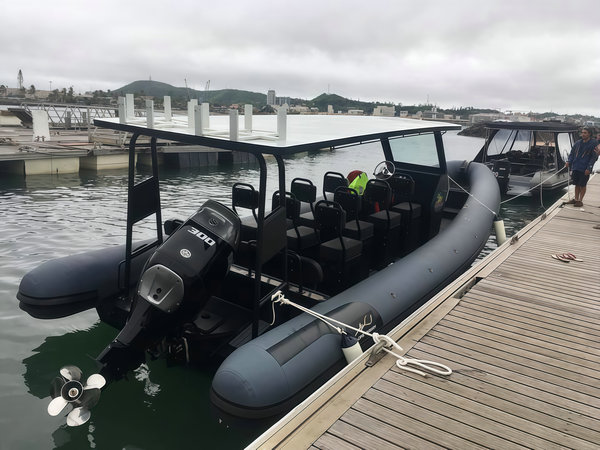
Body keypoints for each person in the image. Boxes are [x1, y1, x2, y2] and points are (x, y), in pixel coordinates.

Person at [565, 127, 598, 207]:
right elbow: (572, 153)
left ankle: (580, 200)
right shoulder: (577, 143)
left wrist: (589, 168)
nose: (583, 134)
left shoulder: (594, 143)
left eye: (585, 133)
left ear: (589, 134)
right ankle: (576, 199)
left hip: (585, 168)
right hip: (576, 166)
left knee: (582, 185)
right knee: (576, 184)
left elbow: (594, 157)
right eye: (582, 132)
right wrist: (569, 161)